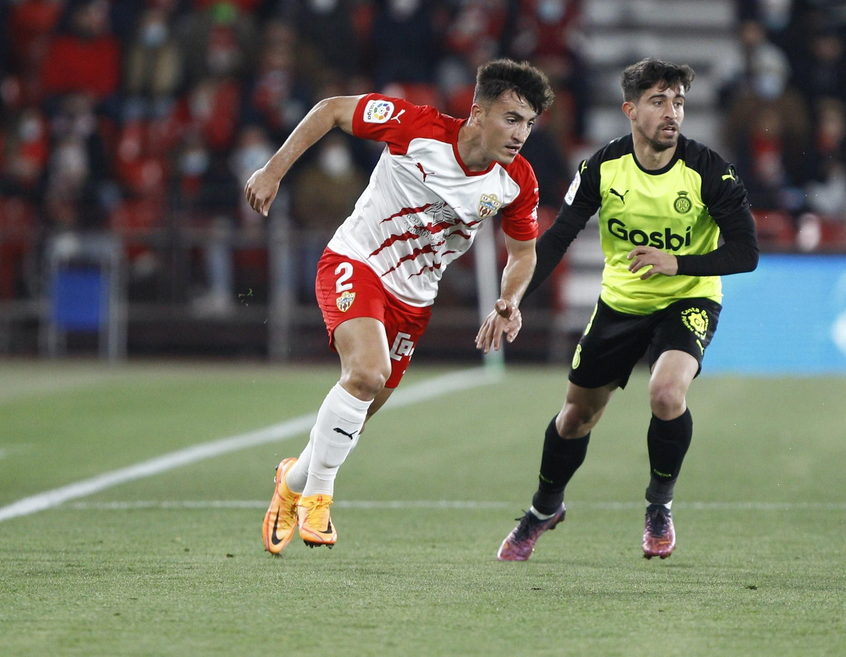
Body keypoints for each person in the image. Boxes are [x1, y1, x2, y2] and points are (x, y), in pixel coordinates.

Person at [245, 60, 553, 553]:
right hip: (356, 261)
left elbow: (523, 252)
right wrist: (273, 170)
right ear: (478, 113)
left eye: (529, 123)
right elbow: (331, 110)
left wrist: (509, 300)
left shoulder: (517, 181)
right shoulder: (415, 127)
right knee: (367, 373)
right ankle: (319, 496)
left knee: (357, 413)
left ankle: (293, 480)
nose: (521, 134)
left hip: (414, 301)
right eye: (512, 118)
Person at [497, 58, 758, 563]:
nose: (672, 112)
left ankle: (659, 506)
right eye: (658, 101)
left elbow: (746, 253)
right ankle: (544, 508)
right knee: (576, 418)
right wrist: (514, 299)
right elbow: (558, 238)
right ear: (630, 110)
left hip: (689, 298)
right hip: (621, 304)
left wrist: (677, 262)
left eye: (678, 102)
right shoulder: (602, 167)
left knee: (666, 392)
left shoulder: (709, 170)